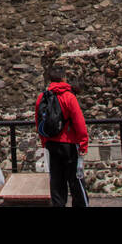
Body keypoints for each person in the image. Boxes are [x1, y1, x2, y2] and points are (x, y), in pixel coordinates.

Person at [35, 65, 89, 207]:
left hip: (51, 144)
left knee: (57, 184)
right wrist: (83, 143)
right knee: (76, 181)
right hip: (69, 144)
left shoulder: (42, 97)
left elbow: (39, 121)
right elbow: (79, 121)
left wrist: (44, 142)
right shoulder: (69, 97)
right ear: (64, 78)